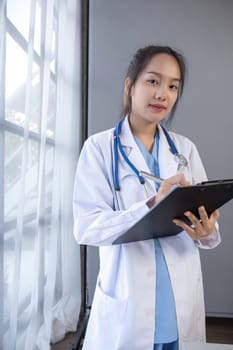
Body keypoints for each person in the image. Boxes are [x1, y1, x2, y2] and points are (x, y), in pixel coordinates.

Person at [73, 45, 221, 350]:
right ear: (130, 85)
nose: (162, 94)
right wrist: (152, 203)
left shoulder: (184, 150)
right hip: (128, 300)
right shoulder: (99, 149)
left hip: (178, 300)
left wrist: (207, 232)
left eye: (172, 86)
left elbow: (202, 224)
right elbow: (86, 227)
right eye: (153, 81)